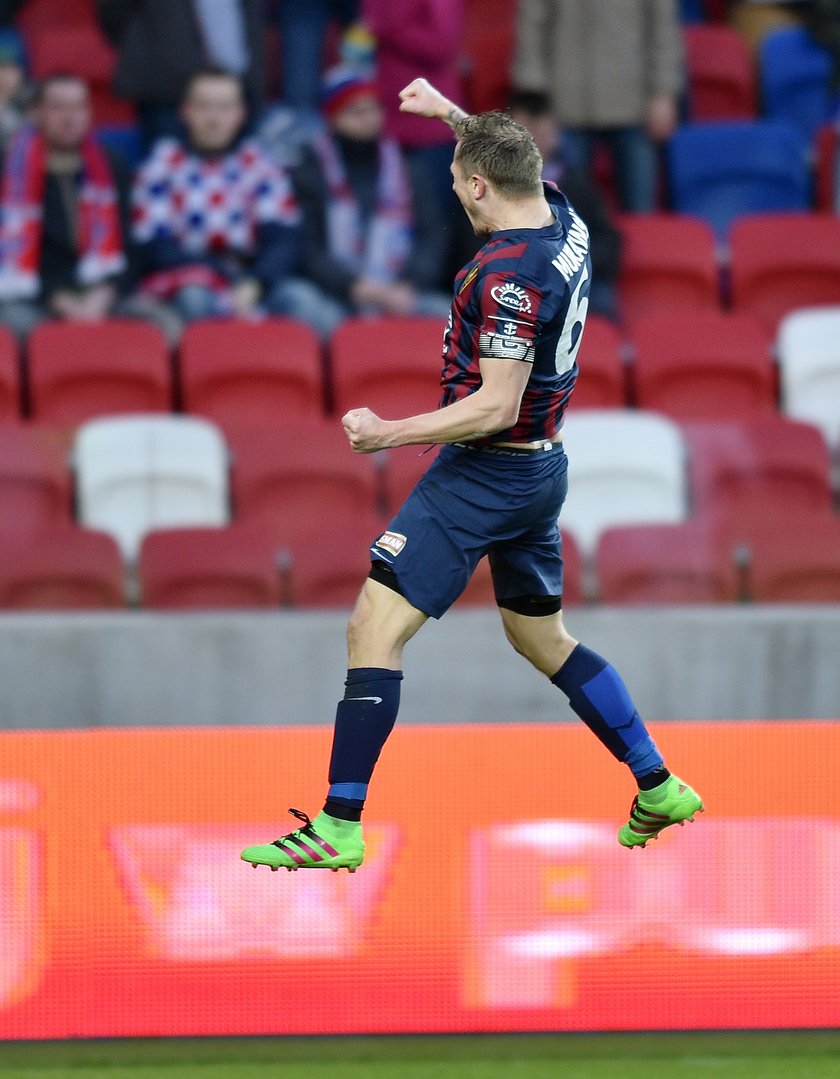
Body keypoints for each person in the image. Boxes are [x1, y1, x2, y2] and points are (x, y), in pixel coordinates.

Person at [241, 78, 703, 874]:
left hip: (487, 471)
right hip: (543, 466)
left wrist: (390, 433)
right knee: (540, 636)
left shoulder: (510, 276)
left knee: (371, 629)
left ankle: (339, 823)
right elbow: (506, 151)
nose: (456, 189)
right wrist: (450, 114)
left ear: (480, 187)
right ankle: (656, 783)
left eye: (459, 179)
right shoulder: (563, 219)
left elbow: (494, 405)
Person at [278, 65, 450, 340]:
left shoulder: (408, 168)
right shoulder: (310, 170)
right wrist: (354, 288)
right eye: (356, 112)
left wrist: (409, 286)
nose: (369, 119)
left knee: (448, 315)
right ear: (333, 118)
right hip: (336, 293)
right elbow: (306, 247)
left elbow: (432, 236)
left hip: (401, 292)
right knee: (304, 304)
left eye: (374, 109)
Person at [0, 74, 176, 343]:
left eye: (78, 107)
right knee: (12, 326)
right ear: (36, 113)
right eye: (58, 107)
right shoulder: (10, 170)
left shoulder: (110, 163)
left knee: (166, 325)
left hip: (103, 294)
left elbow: (130, 246)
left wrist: (106, 294)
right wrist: (57, 299)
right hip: (35, 296)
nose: (70, 118)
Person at [132, 68, 302, 325]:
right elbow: (155, 248)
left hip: (251, 281)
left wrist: (254, 283)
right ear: (185, 111)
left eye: (224, 108)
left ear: (241, 114)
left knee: (303, 301)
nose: (213, 118)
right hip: (183, 280)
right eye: (204, 107)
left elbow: (284, 240)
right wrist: (215, 272)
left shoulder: (259, 163)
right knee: (196, 299)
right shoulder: (162, 163)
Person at [511, 0, 683, 213]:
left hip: (635, 105)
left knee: (641, 213)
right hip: (566, 106)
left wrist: (663, 92)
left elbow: (663, 28)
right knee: (566, 213)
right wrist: (534, 101)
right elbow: (533, 24)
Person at [508, 90, 622, 322]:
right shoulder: (487, 188)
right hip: (510, 287)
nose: (534, 143)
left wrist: (568, 266)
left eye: (541, 132)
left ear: (556, 135)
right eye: (525, 134)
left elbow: (607, 242)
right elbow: (471, 249)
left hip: (572, 285)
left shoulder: (577, 185)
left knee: (600, 304)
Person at [95, 0, 266, 151]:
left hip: (238, 88)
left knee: (243, 180)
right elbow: (114, 12)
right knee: (164, 178)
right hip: (166, 91)